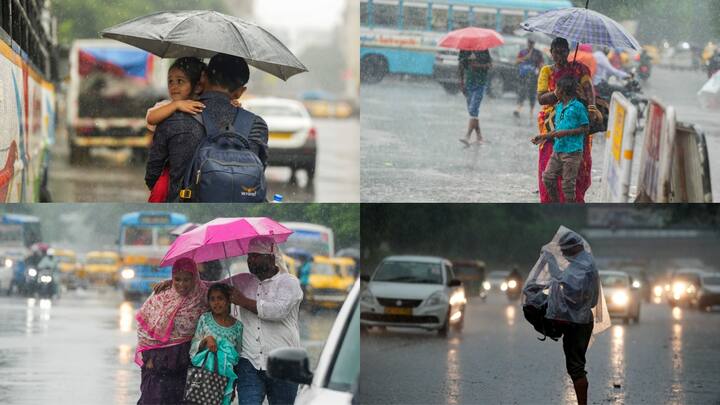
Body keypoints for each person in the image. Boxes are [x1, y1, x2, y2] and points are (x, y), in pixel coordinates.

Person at [145, 53, 269, 202]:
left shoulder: (173, 117)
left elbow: (152, 176)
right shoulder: (256, 125)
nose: (173, 86)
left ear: (203, 77)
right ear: (240, 91)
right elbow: (257, 175)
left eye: (179, 81)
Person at [227, 237, 304, 405]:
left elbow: (277, 311)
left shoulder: (288, 282)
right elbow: (210, 289)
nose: (250, 260)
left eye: (255, 256)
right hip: (249, 362)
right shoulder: (242, 282)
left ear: (270, 257)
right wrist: (173, 283)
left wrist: (243, 301)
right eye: (249, 256)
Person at [136, 258, 209, 405]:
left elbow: (211, 325)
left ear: (195, 278)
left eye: (187, 280)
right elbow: (144, 329)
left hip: (188, 363)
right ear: (172, 278)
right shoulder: (160, 296)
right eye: (177, 279)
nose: (182, 284)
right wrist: (148, 357)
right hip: (158, 364)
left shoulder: (203, 296)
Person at [536, 37, 598, 203]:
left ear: (568, 52)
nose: (559, 56)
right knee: (549, 169)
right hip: (552, 121)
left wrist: (590, 106)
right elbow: (541, 99)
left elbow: (588, 90)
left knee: (576, 169)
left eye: (563, 52)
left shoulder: (580, 69)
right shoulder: (547, 71)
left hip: (576, 120)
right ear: (551, 53)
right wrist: (558, 92)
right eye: (556, 52)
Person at [541, 231, 599, 405]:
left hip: (577, 323)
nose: (564, 255)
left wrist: (551, 263)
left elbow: (568, 284)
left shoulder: (583, 265)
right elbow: (593, 300)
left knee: (576, 368)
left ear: (574, 248)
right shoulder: (585, 262)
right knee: (576, 365)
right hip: (583, 320)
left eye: (565, 250)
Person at [145, 57, 207, 203]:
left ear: (197, 87)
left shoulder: (203, 105)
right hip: (172, 171)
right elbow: (151, 117)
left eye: (180, 81)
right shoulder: (167, 106)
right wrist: (176, 105)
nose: (173, 86)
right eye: (170, 81)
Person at [533, 76, 590, 203]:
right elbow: (558, 129)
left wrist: (567, 133)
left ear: (563, 91)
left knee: (568, 185)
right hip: (558, 149)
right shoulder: (558, 106)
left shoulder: (578, 107)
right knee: (548, 178)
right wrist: (543, 137)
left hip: (573, 151)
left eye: (556, 88)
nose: (554, 91)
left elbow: (585, 128)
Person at [189, 284, 244, 405]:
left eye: (220, 298)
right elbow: (193, 346)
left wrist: (233, 385)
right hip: (204, 375)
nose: (216, 303)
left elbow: (238, 355)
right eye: (212, 299)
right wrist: (206, 340)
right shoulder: (205, 319)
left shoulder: (238, 327)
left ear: (228, 301)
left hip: (225, 380)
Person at [458, 49, 492, 147]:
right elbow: (461, 66)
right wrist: (461, 83)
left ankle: (467, 136)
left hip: (480, 83)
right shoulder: (464, 50)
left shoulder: (484, 50)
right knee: (472, 111)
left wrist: (476, 65)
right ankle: (479, 136)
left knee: (473, 109)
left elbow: (490, 65)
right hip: (469, 84)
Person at [514, 39, 544, 118]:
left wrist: (540, 68)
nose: (530, 44)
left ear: (534, 43)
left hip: (533, 77)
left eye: (532, 43)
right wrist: (525, 58)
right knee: (522, 92)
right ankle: (518, 109)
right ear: (527, 43)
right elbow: (516, 61)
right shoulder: (523, 52)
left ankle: (531, 111)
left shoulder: (538, 53)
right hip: (523, 76)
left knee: (532, 94)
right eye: (529, 43)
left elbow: (541, 63)